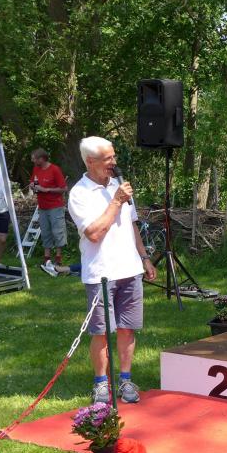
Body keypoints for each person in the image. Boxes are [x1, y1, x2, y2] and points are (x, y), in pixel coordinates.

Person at [68, 137, 157, 404]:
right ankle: (100, 384)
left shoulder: (119, 185)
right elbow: (94, 233)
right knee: (102, 332)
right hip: (101, 273)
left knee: (128, 329)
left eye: (113, 156)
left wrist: (144, 258)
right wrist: (116, 201)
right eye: (108, 158)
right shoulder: (79, 194)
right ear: (90, 161)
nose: (114, 162)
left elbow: (132, 225)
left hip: (130, 269)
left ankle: (126, 380)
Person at [30, 148, 68, 271]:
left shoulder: (54, 169)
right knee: (45, 232)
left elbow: (64, 188)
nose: (32, 161)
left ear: (41, 159)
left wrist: (47, 190)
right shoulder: (36, 169)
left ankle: (58, 259)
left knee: (57, 232)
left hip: (55, 206)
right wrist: (33, 186)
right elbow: (33, 182)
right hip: (42, 207)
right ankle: (47, 259)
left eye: (34, 159)